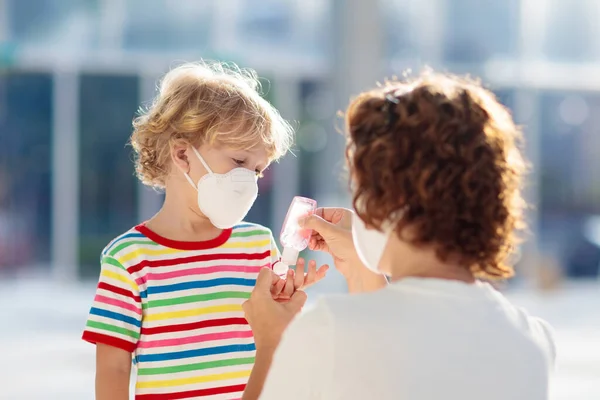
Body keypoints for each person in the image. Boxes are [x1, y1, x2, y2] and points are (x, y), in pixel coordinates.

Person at [242, 71, 556, 400]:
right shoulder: (533, 342)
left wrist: (271, 342)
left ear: (387, 198)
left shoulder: (329, 331)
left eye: (359, 187)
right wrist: (362, 267)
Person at [81, 61, 328, 400]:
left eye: (257, 170)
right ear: (182, 154)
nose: (249, 181)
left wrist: (283, 299)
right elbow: (113, 367)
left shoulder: (257, 245)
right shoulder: (129, 259)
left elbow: (273, 344)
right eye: (239, 161)